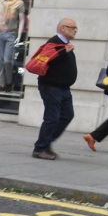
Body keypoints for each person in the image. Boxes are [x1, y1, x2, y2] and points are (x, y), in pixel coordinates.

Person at [31, 17, 78, 160]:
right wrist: (64, 52)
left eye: (76, 28)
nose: (75, 30)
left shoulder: (65, 44)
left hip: (63, 88)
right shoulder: (53, 43)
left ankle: (46, 143)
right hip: (51, 87)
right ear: (62, 28)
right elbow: (47, 58)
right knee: (52, 118)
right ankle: (40, 148)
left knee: (67, 115)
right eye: (72, 27)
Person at [0, 0, 24, 91]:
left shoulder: (19, 3)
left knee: (7, 60)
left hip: (11, 33)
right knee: (0, 60)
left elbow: (22, 20)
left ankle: (9, 82)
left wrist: (19, 35)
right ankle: (1, 84)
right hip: (0, 33)